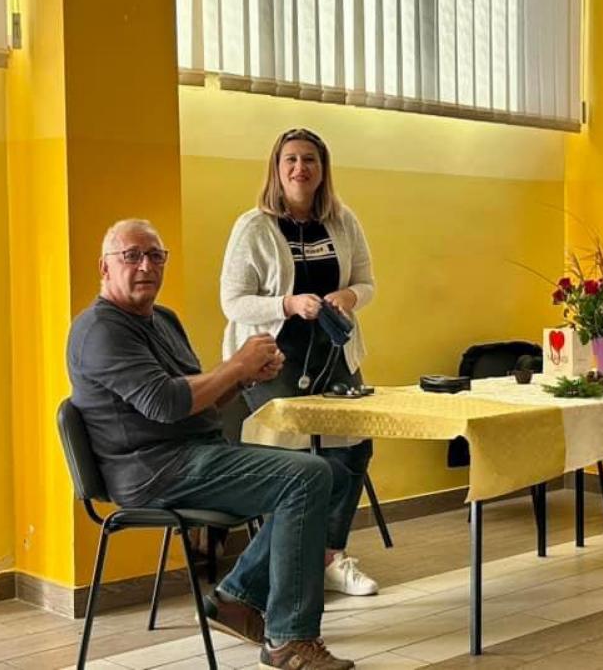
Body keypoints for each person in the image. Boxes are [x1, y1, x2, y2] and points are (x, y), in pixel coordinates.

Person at [67, 219, 354, 670]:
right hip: (153, 471)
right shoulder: (99, 330)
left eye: (156, 256)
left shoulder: (163, 319)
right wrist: (236, 365)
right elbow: (165, 403)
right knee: (307, 476)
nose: (146, 266)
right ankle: (289, 639)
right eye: (131, 256)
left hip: (195, 453)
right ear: (104, 267)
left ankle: (236, 599)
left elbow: (197, 399)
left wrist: (243, 379)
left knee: (333, 472)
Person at [220, 128, 379, 596]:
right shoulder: (254, 226)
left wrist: (349, 296)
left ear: (323, 169)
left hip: (334, 355)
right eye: (290, 159)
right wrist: (287, 305)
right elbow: (233, 301)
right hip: (273, 361)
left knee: (352, 450)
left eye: (309, 159)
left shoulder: (343, 221)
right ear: (276, 168)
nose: (299, 168)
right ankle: (285, 564)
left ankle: (330, 556)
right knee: (293, 463)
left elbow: (367, 282)